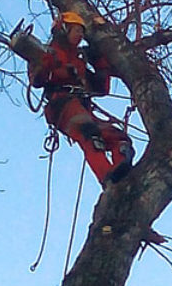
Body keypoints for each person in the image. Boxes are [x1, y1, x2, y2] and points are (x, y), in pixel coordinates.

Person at [30, 11, 134, 184]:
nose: (80, 35)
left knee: (119, 138)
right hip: (61, 104)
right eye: (76, 30)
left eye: (82, 32)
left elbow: (100, 89)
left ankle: (122, 173)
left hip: (82, 106)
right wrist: (49, 64)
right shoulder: (47, 52)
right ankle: (107, 177)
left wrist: (100, 63)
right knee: (89, 133)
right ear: (64, 29)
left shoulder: (79, 59)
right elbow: (37, 80)